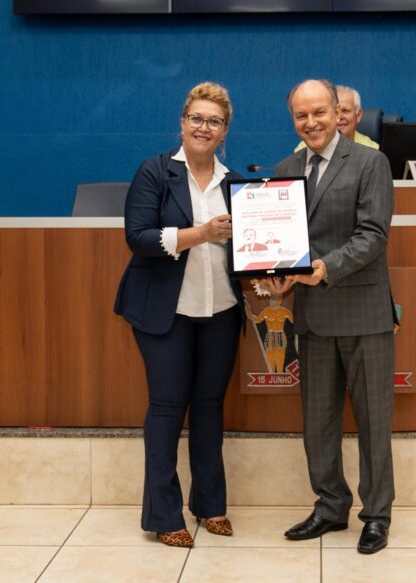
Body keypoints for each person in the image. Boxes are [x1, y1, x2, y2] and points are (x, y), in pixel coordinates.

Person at [262, 79, 396, 554]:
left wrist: (324, 268)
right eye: (301, 115)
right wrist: (278, 276)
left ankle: (376, 514)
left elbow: (374, 234)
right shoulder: (283, 169)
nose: (311, 123)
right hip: (313, 316)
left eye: (320, 112)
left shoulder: (369, 162)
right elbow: (282, 245)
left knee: (373, 421)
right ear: (293, 118)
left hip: (363, 312)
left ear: (339, 113)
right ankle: (329, 506)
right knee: (317, 422)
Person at [113, 82, 243, 548]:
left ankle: (210, 505)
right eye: (197, 118)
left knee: (209, 408)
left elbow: (247, 249)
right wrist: (201, 233)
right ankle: (165, 515)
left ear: (225, 130)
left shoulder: (235, 183)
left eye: (214, 121)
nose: (204, 127)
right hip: (164, 311)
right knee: (167, 409)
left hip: (222, 309)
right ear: (182, 123)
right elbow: (139, 238)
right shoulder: (154, 171)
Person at [294, 85, 379, 152]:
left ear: (358, 115)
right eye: (335, 112)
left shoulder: (372, 150)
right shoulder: (305, 148)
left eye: (345, 111)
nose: (340, 117)